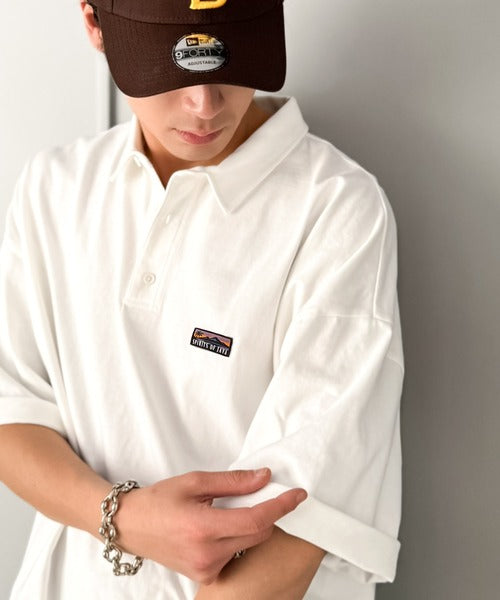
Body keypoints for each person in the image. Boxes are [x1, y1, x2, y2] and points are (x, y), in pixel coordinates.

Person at [0, 1, 404, 598]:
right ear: (93, 22)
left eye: (231, 57)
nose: (205, 104)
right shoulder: (55, 189)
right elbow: (14, 414)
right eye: (169, 67)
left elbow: (303, 516)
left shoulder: (337, 209)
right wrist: (127, 518)